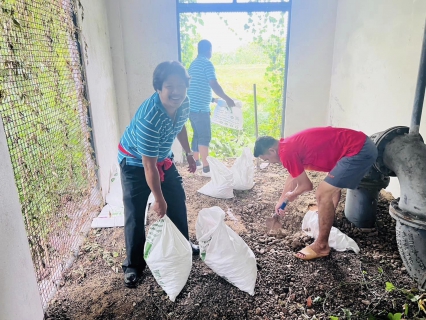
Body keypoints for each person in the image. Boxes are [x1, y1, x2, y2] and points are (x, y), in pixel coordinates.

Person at [118, 61, 199, 288]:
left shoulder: (184, 103)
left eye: (181, 86)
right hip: (135, 163)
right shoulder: (149, 118)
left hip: (162, 158)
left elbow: (181, 126)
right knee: (135, 210)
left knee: (177, 200)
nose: (176, 92)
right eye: (170, 86)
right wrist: (158, 198)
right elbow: (148, 166)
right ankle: (134, 265)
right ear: (158, 88)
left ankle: (183, 245)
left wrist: (189, 154)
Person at [253, 127, 378, 261]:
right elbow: (293, 176)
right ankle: (327, 217)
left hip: (357, 150)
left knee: (322, 193)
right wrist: (281, 200)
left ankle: (321, 246)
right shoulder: (286, 146)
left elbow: (306, 185)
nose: (270, 163)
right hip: (359, 144)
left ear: (272, 151)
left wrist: (294, 194)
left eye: (266, 159)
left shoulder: (286, 152)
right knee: (330, 187)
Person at [187, 39, 235, 177]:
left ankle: (196, 161)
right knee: (204, 136)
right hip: (200, 109)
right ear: (209, 50)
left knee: (197, 134)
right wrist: (227, 98)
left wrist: (212, 99)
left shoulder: (194, 64)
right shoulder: (207, 64)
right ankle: (207, 167)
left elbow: (197, 88)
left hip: (192, 107)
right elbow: (213, 84)